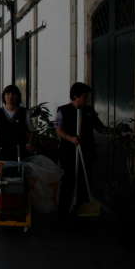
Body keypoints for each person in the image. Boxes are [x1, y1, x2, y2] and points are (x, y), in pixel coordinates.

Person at [55, 82, 108, 219]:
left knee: (84, 182)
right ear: (75, 96)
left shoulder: (89, 111)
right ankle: (63, 214)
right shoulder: (63, 111)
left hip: (87, 152)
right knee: (68, 182)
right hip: (69, 153)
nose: (86, 99)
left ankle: (81, 211)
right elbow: (59, 130)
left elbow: (100, 128)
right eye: (84, 96)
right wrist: (70, 138)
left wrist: (116, 132)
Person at [0, 85, 33, 161]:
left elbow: (30, 131)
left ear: (18, 96)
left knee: (21, 171)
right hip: (2, 152)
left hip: (20, 151)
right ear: (4, 96)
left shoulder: (24, 112)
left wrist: (29, 144)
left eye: (13, 94)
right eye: (7, 94)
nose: (10, 97)